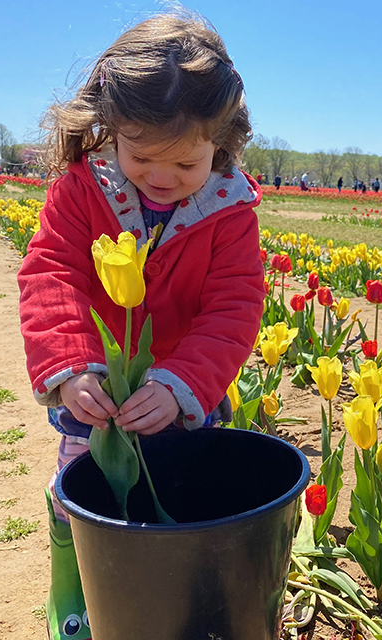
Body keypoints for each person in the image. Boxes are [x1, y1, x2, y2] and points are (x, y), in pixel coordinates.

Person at [16, 13, 264, 640]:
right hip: (97, 388)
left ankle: (168, 598)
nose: (160, 177)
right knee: (82, 484)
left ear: (223, 143)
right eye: (141, 156)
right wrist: (71, 367)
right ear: (111, 128)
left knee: (177, 487)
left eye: (186, 164)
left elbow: (234, 306)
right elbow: (51, 274)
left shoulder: (229, 211)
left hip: (179, 392)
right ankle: (73, 588)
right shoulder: (82, 190)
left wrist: (184, 382)